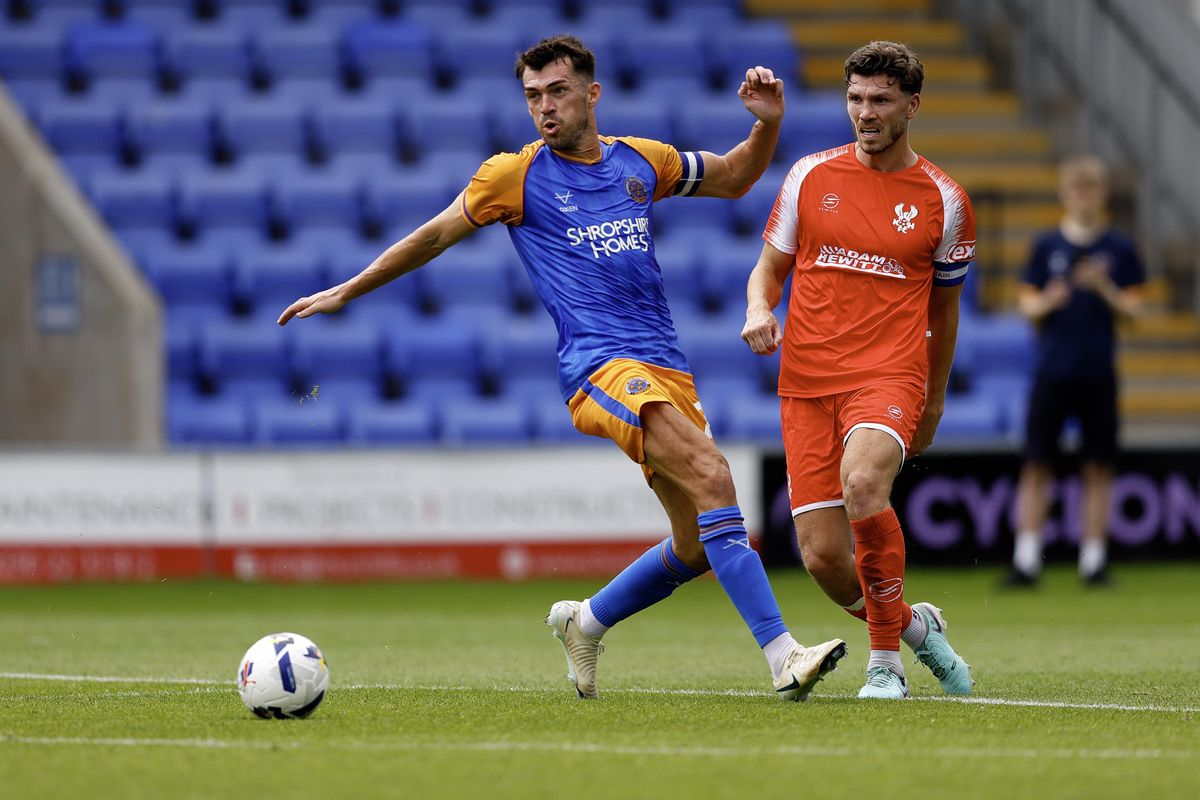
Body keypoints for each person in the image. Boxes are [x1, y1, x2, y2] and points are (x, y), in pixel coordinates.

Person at [279, 35, 847, 701]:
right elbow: (432, 235)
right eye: (532, 96)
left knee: (695, 544)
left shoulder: (642, 160)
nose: (544, 108)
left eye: (556, 91)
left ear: (590, 93)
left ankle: (585, 621)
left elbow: (732, 176)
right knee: (715, 475)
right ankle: (783, 656)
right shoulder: (512, 176)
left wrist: (768, 124)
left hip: (667, 368)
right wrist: (349, 289)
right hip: (599, 368)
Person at [741, 41, 974, 700]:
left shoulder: (945, 200)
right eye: (855, 99)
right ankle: (917, 630)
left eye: (880, 100)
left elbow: (945, 315)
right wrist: (760, 308)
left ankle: (886, 666)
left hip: (889, 375)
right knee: (822, 559)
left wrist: (932, 401)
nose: (865, 113)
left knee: (865, 484)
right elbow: (768, 269)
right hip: (808, 382)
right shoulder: (809, 176)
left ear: (911, 105)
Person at [1006, 155, 1145, 588]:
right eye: (1076, 189)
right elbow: (1026, 305)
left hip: (1098, 372)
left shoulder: (1119, 249)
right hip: (1052, 371)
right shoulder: (1047, 246)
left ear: (1102, 195)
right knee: (1036, 465)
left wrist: (1104, 289)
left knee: (1098, 466)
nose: (1084, 197)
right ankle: (1026, 559)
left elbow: (1136, 312)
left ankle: (1093, 560)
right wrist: (1050, 300)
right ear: (1065, 194)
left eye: (1091, 189)